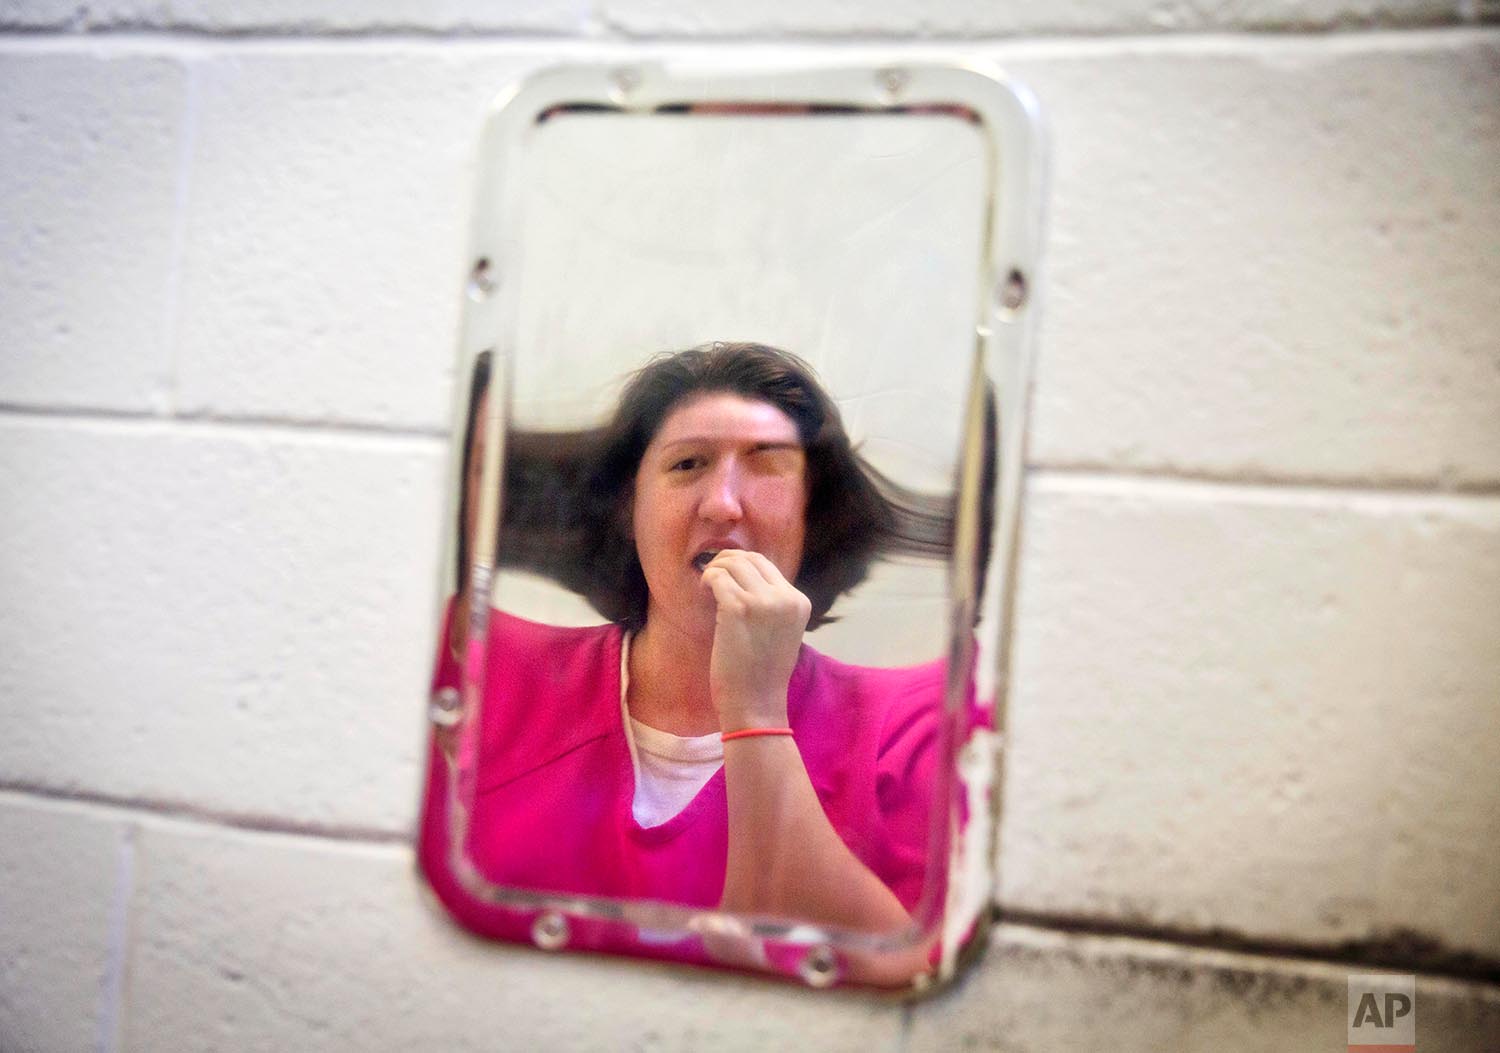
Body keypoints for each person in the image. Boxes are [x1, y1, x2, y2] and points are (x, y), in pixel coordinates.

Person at [418, 342, 984, 985]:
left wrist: (756, 711)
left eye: (767, 464)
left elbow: (911, 980)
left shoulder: (915, 720)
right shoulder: (490, 669)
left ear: (813, 517)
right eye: (687, 464)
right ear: (631, 514)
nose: (722, 504)